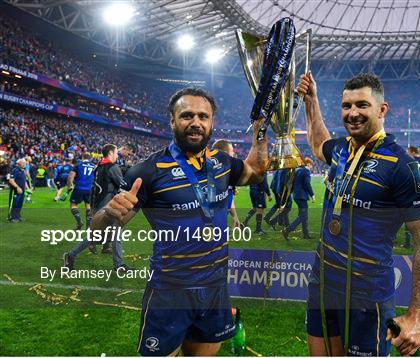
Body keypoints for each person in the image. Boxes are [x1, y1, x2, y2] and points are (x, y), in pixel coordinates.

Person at [87, 88, 267, 356]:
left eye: (203, 116)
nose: (195, 122)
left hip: (215, 286)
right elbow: (97, 234)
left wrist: (259, 134)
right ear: (172, 121)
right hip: (170, 290)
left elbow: (256, 171)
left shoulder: (223, 163)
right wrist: (108, 214)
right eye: (187, 115)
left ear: (211, 122)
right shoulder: (147, 171)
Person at [299, 72, 420, 356]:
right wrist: (311, 100)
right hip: (323, 284)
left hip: (367, 294)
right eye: (347, 106)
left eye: (362, 105)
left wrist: (417, 316)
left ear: (381, 109)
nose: (352, 113)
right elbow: (317, 142)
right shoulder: (341, 150)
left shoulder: (402, 167)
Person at [63, 144, 127, 265]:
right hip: (108, 206)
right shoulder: (112, 167)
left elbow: (95, 189)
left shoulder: (98, 167)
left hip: (99, 205)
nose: (116, 155)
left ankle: (71, 255)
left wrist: (93, 208)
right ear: (110, 153)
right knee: (115, 232)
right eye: (115, 152)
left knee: (98, 237)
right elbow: (123, 185)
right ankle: (119, 265)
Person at [283, 158, 315, 240]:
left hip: (296, 196)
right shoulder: (306, 171)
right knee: (303, 216)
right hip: (302, 196)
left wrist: (292, 191)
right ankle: (287, 230)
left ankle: (305, 235)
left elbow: (289, 183)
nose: (311, 167)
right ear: (308, 164)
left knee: (304, 215)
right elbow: (307, 184)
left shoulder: (297, 170)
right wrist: (312, 195)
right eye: (311, 165)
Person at [212, 139, 241, 228]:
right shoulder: (209, 172)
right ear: (224, 153)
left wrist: (235, 217)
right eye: (231, 151)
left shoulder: (228, 171)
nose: (233, 154)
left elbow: (229, 197)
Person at [66, 153, 96, 230]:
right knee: (88, 205)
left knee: (73, 204)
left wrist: (69, 187)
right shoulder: (94, 166)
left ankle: (79, 222)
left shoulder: (78, 165)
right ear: (89, 158)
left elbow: (70, 177)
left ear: (82, 157)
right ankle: (89, 226)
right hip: (89, 189)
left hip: (79, 188)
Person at [7, 158, 27, 222]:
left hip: (22, 191)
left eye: (25, 163)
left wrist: (27, 187)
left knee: (19, 204)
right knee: (14, 203)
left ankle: (17, 216)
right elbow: (11, 180)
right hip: (15, 190)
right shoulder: (15, 170)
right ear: (18, 164)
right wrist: (17, 187)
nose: (24, 164)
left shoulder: (22, 170)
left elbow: (24, 180)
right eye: (23, 163)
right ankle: (12, 217)